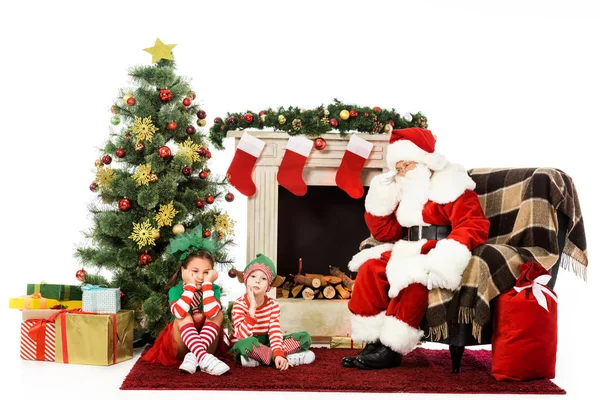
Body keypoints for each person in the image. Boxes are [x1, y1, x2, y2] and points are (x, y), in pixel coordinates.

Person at [341, 127, 490, 370]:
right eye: (397, 168)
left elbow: (474, 224)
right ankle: (373, 340)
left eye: (406, 165)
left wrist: (448, 253)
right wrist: (381, 198)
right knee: (370, 270)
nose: (401, 173)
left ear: (423, 161)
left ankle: (392, 348)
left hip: (436, 247)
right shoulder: (407, 191)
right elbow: (386, 233)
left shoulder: (452, 185)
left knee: (412, 278)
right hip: (408, 247)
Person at [142, 226, 231, 376]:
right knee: (183, 315)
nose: (201, 277)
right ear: (183, 271)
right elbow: (179, 312)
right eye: (195, 271)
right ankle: (202, 357)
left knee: (217, 314)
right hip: (180, 346)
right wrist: (189, 287)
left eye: (206, 272)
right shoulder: (176, 290)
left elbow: (210, 312)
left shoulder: (212, 288)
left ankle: (197, 355)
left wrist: (208, 285)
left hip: (207, 343)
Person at [230, 253, 315, 370]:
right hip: (246, 343)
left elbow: (274, 331)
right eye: (253, 276)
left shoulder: (272, 304)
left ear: (268, 286)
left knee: (304, 338)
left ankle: (265, 358)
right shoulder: (239, 304)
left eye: (263, 278)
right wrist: (252, 309)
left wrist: (278, 351)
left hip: (266, 343)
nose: (257, 281)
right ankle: (279, 358)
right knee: (246, 344)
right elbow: (241, 336)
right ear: (246, 280)